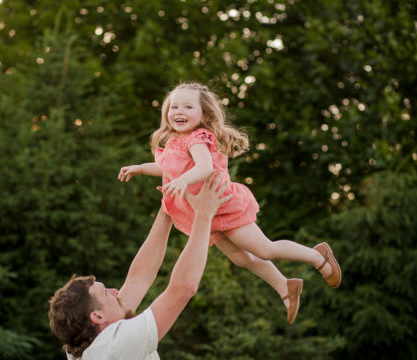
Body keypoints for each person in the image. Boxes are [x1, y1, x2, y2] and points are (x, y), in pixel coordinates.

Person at [118, 81, 342, 324]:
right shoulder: (174, 141)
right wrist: (140, 168)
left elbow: (204, 167)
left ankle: (319, 257)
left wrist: (183, 181)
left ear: (203, 114)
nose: (179, 112)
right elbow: (165, 167)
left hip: (222, 206)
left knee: (264, 249)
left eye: (188, 107)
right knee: (241, 258)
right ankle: (284, 286)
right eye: (174, 107)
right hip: (205, 214)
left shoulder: (197, 138)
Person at [49, 174, 233, 359]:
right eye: (106, 292)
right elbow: (183, 288)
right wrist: (204, 214)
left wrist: (168, 206)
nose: (115, 291)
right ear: (97, 317)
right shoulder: (114, 348)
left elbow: (140, 278)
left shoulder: (84, 346)